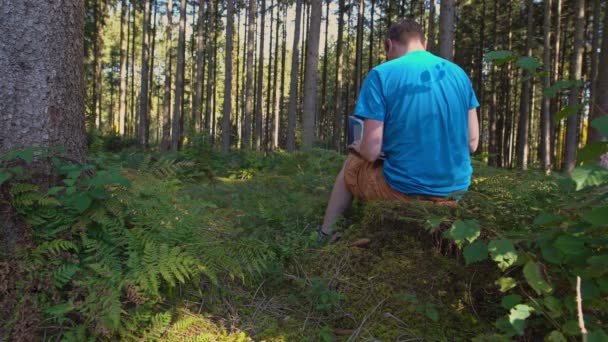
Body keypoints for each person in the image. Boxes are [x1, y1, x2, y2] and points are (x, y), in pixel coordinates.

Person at [319, 18, 479, 241]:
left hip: (402, 191)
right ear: (423, 42)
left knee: (352, 163)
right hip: (454, 193)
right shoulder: (459, 74)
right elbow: (472, 143)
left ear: (390, 44)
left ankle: (325, 233)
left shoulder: (382, 74)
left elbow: (372, 151)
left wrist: (358, 147)